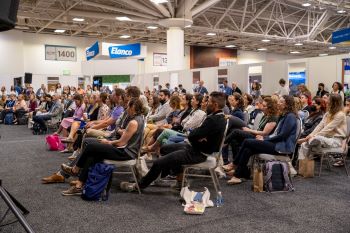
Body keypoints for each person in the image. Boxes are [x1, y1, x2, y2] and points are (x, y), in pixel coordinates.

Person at [120, 92, 227, 192]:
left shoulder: (213, 120)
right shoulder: (220, 117)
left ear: (215, 104)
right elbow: (195, 134)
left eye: (209, 102)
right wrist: (198, 136)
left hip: (198, 153)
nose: (207, 104)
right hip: (195, 149)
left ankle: (139, 186)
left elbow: (193, 135)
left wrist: (196, 136)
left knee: (158, 163)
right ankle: (176, 179)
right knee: (164, 148)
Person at [60, 98, 145, 196]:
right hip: (125, 150)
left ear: (133, 107)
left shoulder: (133, 122)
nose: (126, 109)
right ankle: (79, 185)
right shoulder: (138, 119)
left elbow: (121, 143)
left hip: (126, 153)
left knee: (91, 147)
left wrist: (108, 142)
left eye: (128, 106)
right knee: (93, 154)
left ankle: (75, 169)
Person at [227, 95, 298, 184]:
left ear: (287, 104)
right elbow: (276, 134)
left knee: (247, 141)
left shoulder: (290, 116)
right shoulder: (284, 115)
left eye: (281, 102)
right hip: (277, 143)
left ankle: (234, 165)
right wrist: (265, 138)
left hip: (281, 147)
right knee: (248, 149)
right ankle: (239, 175)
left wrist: (265, 139)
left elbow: (283, 135)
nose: (278, 103)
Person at [223, 97, 279, 172]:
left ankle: (222, 146)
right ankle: (238, 170)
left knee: (236, 132)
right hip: (257, 135)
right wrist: (251, 131)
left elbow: (264, 133)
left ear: (270, 108)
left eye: (265, 106)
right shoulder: (265, 115)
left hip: (261, 139)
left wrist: (249, 130)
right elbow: (259, 129)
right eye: (263, 105)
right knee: (235, 141)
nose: (262, 107)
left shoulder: (273, 117)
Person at [298, 94, 346, 161]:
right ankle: (303, 166)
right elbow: (320, 126)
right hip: (325, 138)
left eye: (329, 100)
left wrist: (310, 137)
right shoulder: (328, 113)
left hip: (336, 140)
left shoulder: (340, 115)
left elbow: (327, 129)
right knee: (304, 145)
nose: (327, 101)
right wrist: (310, 135)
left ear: (334, 102)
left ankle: (308, 140)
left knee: (316, 138)